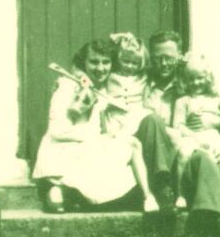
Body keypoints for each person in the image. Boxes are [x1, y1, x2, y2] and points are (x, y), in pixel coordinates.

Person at [31, 38, 160, 214]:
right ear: (83, 62)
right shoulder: (67, 86)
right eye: (93, 62)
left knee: (131, 144)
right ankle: (62, 190)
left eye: (106, 62)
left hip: (86, 148)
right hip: (65, 150)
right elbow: (57, 131)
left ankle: (147, 197)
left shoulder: (101, 89)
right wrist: (93, 135)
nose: (100, 68)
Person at [145, 31, 220, 237]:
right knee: (152, 121)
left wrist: (214, 124)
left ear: (179, 57)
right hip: (156, 154)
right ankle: (217, 218)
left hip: (185, 151)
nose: (163, 63)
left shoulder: (189, 82)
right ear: (151, 58)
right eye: (158, 57)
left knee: (203, 158)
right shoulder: (142, 81)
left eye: (169, 57)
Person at [172, 53, 220, 214]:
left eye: (200, 78)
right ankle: (180, 194)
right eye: (191, 79)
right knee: (183, 155)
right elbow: (178, 126)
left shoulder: (217, 100)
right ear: (185, 80)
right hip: (192, 137)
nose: (196, 83)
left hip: (214, 139)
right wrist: (193, 134)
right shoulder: (183, 101)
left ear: (208, 77)